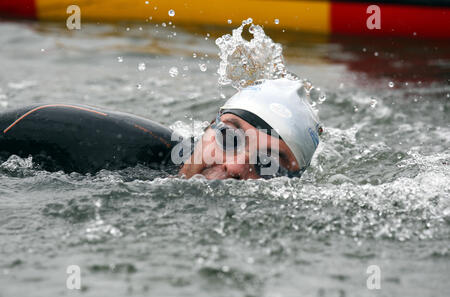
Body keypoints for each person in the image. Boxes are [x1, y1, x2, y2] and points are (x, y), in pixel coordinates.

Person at [0, 78, 322, 179]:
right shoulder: (111, 143)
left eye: (269, 162)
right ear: (209, 128)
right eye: (228, 136)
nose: (236, 164)